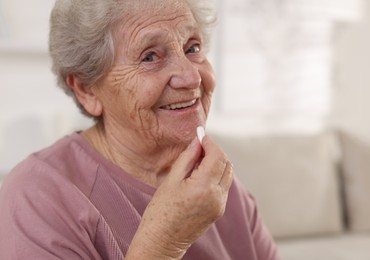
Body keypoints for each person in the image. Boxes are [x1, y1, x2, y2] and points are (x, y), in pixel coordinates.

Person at [0, 0, 280, 259]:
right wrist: (165, 243)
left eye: (192, 48)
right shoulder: (36, 198)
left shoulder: (214, 181)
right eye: (150, 57)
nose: (191, 76)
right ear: (87, 90)